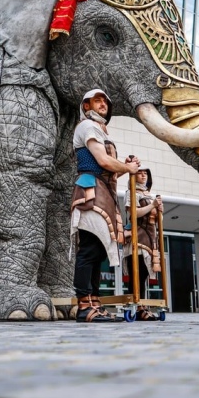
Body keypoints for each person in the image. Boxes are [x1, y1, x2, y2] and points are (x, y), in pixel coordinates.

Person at [71, 89, 139, 323]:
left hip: (103, 190)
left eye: (105, 101)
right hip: (90, 191)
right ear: (86, 105)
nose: (103, 104)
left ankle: (95, 303)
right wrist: (127, 167)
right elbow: (102, 161)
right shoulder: (88, 126)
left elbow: (108, 172)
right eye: (97, 100)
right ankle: (84, 305)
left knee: (98, 250)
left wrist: (124, 167)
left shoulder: (100, 129)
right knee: (90, 249)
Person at [122, 164, 162, 321]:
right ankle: (137, 306)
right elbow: (133, 212)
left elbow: (158, 220)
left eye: (145, 173)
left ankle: (142, 305)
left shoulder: (150, 194)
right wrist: (152, 205)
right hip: (137, 235)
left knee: (144, 273)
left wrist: (159, 209)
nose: (143, 175)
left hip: (150, 236)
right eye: (140, 173)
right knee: (136, 273)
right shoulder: (131, 192)